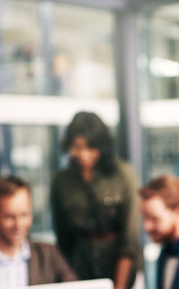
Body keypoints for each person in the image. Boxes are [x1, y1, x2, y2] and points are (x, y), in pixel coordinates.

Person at [51, 111, 142, 289]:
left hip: (119, 266)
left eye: (90, 148)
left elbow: (129, 238)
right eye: (77, 147)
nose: (84, 154)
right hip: (79, 268)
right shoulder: (61, 181)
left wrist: (120, 286)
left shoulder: (124, 174)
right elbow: (63, 239)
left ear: (102, 146)